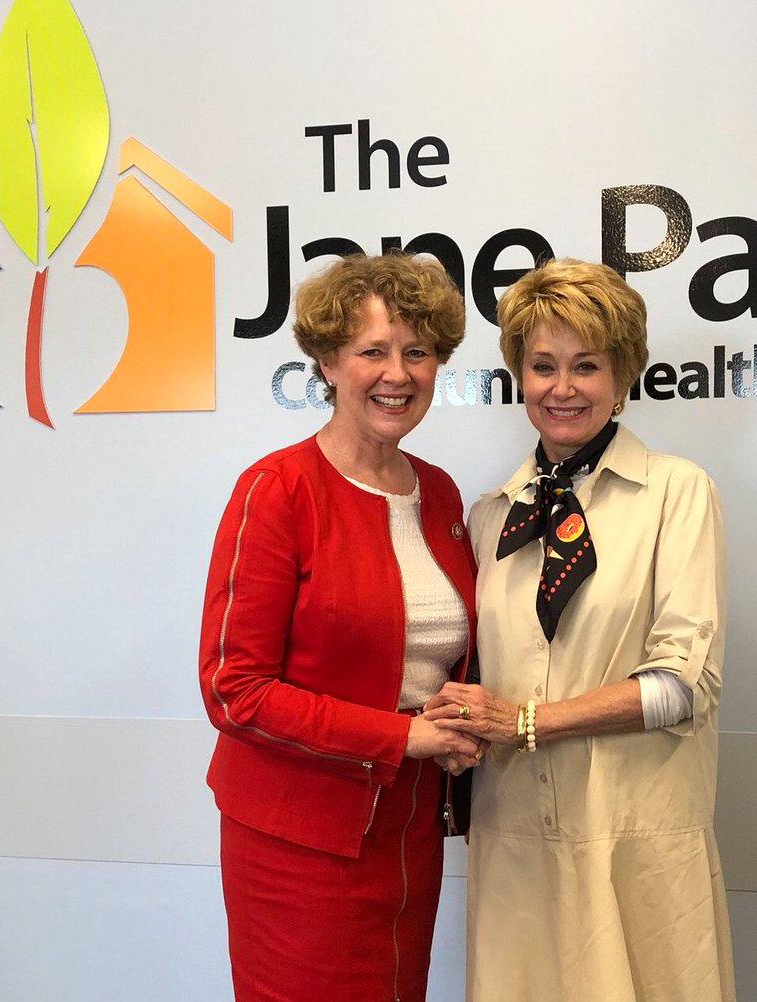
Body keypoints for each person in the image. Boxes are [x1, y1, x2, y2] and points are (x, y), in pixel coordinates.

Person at [425, 259, 735, 1001]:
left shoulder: (678, 493)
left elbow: (683, 687)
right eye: (543, 366)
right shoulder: (490, 516)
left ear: (622, 376)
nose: (562, 388)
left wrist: (526, 722)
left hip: (635, 839)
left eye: (586, 365)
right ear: (519, 377)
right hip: (515, 841)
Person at [199, 253, 483, 1002]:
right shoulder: (277, 490)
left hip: (409, 826)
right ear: (327, 363)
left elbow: (435, 657)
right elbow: (233, 690)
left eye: (417, 352)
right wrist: (401, 736)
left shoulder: (440, 493)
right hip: (299, 839)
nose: (398, 373)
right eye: (372, 351)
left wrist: (460, 716)